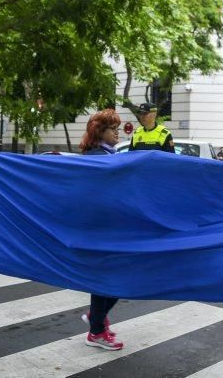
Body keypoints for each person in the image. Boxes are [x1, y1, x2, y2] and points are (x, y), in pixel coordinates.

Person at [79, 109, 124, 351]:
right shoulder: (97, 158)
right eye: (112, 128)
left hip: (108, 228)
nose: (117, 132)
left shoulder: (106, 155)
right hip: (100, 229)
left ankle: (96, 318)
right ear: (100, 132)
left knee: (112, 278)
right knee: (109, 279)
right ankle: (96, 330)